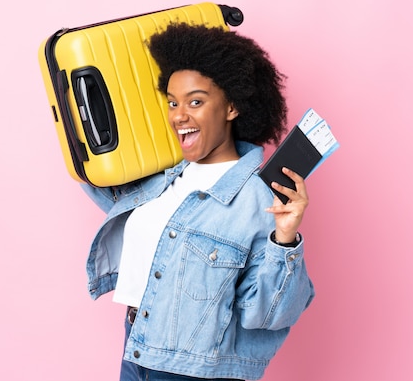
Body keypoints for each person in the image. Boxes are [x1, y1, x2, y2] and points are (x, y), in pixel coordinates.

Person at [80, 22, 315, 381]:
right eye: (173, 102)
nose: (178, 115)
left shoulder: (259, 197)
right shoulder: (162, 178)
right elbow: (96, 177)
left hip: (194, 371)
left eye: (195, 101)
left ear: (232, 106)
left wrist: (285, 239)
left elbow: (267, 314)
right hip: (136, 347)